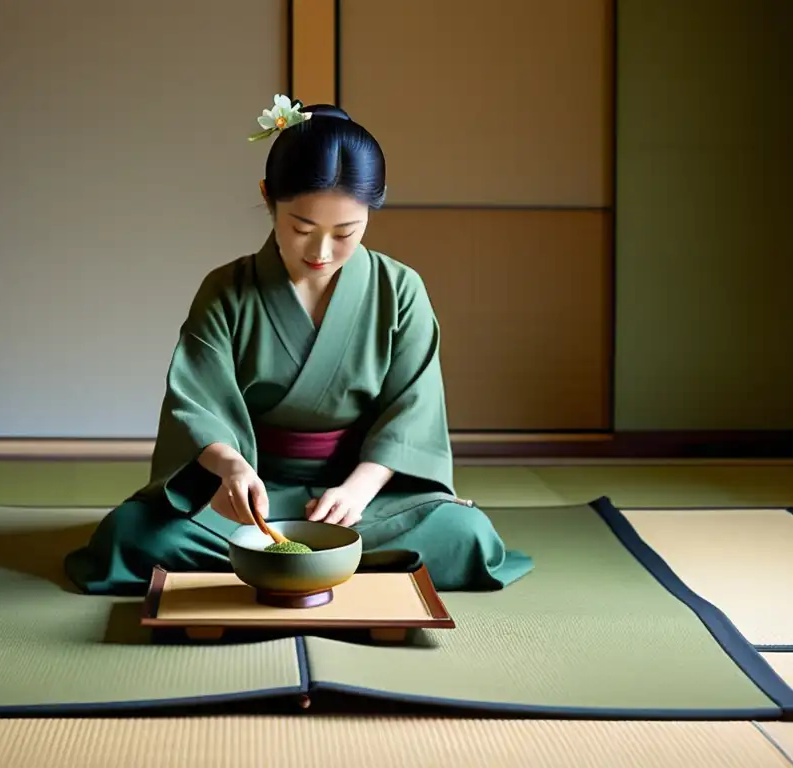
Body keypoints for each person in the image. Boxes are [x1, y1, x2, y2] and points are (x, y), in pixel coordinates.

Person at [64, 95, 533, 595]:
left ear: (374, 209)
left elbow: (412, 412)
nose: (322, 251)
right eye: (302, 228)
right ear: (268, 196)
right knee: (129, 537)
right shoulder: (227, 291)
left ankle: (277, 564)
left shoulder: (399, 291)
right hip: (250, 494)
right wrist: (231, 467)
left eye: (346, 232)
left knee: (466, 536)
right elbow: (196, 402)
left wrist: (358, 489)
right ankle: (337, 566)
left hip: (361, 496)